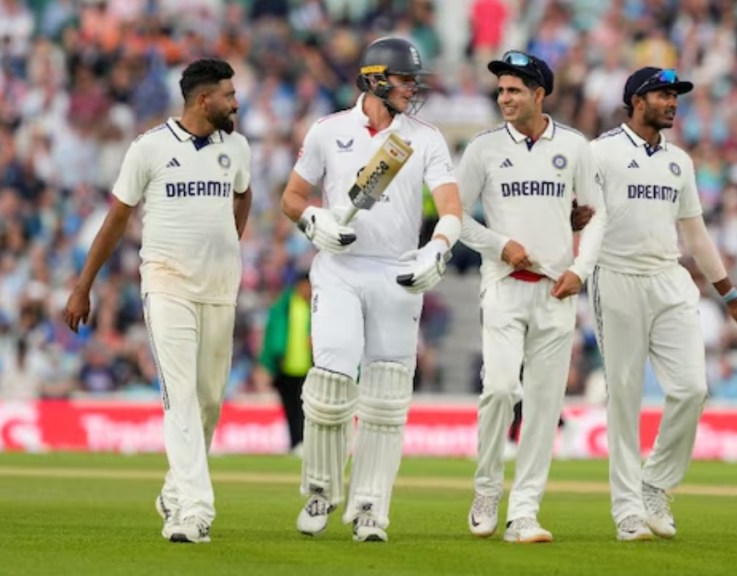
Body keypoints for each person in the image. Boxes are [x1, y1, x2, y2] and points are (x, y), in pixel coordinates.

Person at [63, 58, 253, 544]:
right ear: (204, 100)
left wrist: (227, 244)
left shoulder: (236, 147)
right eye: (229, 95)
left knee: (209, 400)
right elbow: (116, 219)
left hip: (220, 287)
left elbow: (243, 195)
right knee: (180, 395)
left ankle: (174, 491)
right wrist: (84, 285)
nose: (236, 103)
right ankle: (194, 510)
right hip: (167, 284)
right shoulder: (149, 147)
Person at [280, 36, 462, 543]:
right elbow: (292, 197)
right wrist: (313, 220)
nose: (412, 90)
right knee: (331, 382)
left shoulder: (424, 138)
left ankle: (370, 508)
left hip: (398, 272)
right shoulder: (328, 130)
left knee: (386, 395)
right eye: (404, 81)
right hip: (340, 267)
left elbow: (451, 206)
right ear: (375, 79)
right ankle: (321, 490)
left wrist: (438, 247)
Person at [587, 67, 737, 541]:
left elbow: (696, 236)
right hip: (616, 275)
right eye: (663, 94)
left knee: (691, 388)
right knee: (624, 396)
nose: (672, 102)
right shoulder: (600, 152)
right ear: (637, 101)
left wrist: (732, 298)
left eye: (675, 95)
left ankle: (655, 483)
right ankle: (626, 509)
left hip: (669, 278)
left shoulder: (679, 161)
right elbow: (576, 215)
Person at [459, 50, 607, 543]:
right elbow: (454, 215)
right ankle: (486, 489)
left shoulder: (575, 146)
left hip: (556, 291)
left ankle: (524, 512)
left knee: (544, 407)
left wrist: (581, 270)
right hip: (503, 286)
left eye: (514, 90)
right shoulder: (483, 148)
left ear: (539, 94)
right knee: (501, 389)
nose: (504, 98)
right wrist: (499, 244)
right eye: (501, 90)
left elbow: (597, 215)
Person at [260, 271, 313, 454]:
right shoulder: (284, 305)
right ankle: (295, 443)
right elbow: (273, 334)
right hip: (285, 366)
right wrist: (270, 361)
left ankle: (305, 442)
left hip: (307, 367)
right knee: (291, 408)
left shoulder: (314, 306)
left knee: (306, 409)